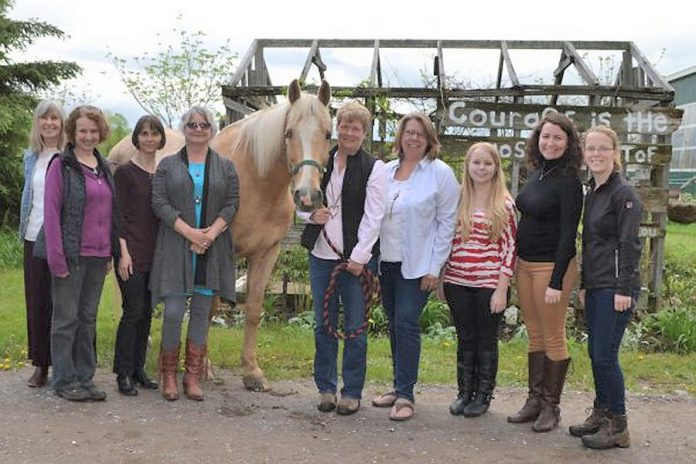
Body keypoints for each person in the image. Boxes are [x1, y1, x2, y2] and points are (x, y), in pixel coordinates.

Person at [299, 102, 387, 415]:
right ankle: (326, 388)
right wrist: (311, 216)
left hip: (356, 260)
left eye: (356, 128)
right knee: (323, 325)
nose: (349, 132)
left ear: (364, 133)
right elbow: (300, 201)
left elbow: (375, 216)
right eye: (345, 126)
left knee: (355, 326)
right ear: (338, 127)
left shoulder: (373, 168)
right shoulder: (320, 160)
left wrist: (360, 256)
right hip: (321, 256)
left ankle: (351, 391)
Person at [372, 112, 459, 421]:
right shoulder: (385, 170)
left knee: (406, 322)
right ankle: (398, 386)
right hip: (388, 263)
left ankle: (406, 396)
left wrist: (436, 267)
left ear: (429, 139)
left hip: (419, 266)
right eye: (408, 132)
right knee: (395, 323)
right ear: (400, 136)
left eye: (420, 134)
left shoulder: (440, 173)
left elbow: (447, 223)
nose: (413, 138)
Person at [150, 106, 239, 401]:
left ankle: (192, 377)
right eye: (192, 125)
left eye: (204, 125)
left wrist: (209, 235)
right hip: (177, 246)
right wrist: (190, 233)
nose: (198, 129)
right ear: (184, 128)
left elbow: (232, 203)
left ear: (211, 129)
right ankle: (168, 376)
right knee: (174, 312)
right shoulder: (167, 165)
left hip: (210, 250)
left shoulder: (226, 167)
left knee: (201, 314)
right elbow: (159, 203)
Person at [507, 112, 583, 432]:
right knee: (535, 334)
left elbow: (569, 235)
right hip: (525, 265)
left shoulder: (570, 182)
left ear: (568, 144)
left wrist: (555, 281)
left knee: (553, 335)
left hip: (552, 267)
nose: (549, 143)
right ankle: (534, 400)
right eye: (545, 136)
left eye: (557, 138)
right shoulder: (536, 173)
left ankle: (551, 407)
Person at [39, 105, 119, 401]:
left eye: (93, 131)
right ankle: (63, 379)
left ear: (101, 133)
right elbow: (51, 213)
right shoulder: (62, 166)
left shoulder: (104, 166)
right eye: (82, 130)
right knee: (65, 320)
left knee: (87, 319)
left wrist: (110, 252)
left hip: (98, 257)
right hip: (69, 256)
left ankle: (85, 378)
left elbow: (111, 212)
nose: (88, 136)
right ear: (72, 132)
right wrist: (57, 259)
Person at [569, 125, 642, 449]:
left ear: (615, 153)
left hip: (616, 287)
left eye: (603, 148)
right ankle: (601, 413)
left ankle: (618, 426)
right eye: (591, 148)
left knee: (604, 356)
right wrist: (584, 284)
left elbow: (629, 245)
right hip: (597, 285)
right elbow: (591, 243)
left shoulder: (623, 193)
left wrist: (624, 289)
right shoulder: (593, 191)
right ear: (584, 155)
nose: (596, 154)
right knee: (595, 353)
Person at [442, 142, 517, 418]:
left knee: (486, 340)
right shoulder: (458, 199)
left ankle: (483, 395)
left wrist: (501, 287)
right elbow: (447, 241)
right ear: (468, 166)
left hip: (489, 286)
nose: (481, 168)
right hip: (457, 282)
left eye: (487, 163)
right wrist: (442, 278)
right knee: (465, 338)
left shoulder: (505, 204)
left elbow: (511, 248)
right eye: (476, 163)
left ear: (496, 167)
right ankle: (464, 392)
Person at [112, 115, 166, 396]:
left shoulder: (161, 173)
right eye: (144, 133)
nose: (149, 138)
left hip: (154, 254)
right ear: (137, 137)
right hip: (129, 252)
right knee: (132, 311)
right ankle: (122, 373)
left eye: (154, 134)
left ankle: (138, 369)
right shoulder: (124, 173)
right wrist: (122, 253)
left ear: (160, 139)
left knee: (146, 313)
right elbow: (117, 215)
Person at [19, 99, 66, 388]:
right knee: (37, 303)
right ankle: (41, 365)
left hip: (60, 240)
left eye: (55, 118)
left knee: (63, 304)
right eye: (43, 118)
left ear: (62, 124)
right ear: (37, 123)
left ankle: (64, 363)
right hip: (32, 237)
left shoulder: (69, 156)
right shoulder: (30, 157)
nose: (49, 123)